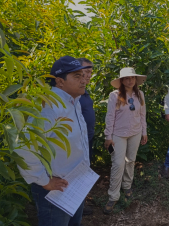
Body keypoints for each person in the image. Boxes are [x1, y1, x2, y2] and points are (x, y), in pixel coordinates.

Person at [16, 56, 92, 226]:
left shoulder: (74, 102)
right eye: (77, 76)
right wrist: (44, 181)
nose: (84, 80)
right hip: (55, 190)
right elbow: (24, 147)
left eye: (83, 75)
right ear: (59, 81)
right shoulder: (49, 106)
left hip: (74, 184)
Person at [103, 67, 148, 214]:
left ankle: (127, 185)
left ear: (135, 80)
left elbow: (142, 115)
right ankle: (113, 195)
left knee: (131, 160)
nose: (130, 80)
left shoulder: (140, 94)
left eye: (132, 78)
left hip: (135, 132)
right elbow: (110, 117)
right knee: (118, 163)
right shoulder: (114, 95)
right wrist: (108, 136)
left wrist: (144, 132)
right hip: (118, 134)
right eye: (127, 78)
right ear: (122, 80)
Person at [77, 57, 95, 216]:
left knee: (83, 175)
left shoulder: (84, 92)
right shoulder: (72, 94)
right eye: (86, 72)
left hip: (86, 141)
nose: (89, 75)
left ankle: (80, 207)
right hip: (77, 145)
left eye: (90, 72)